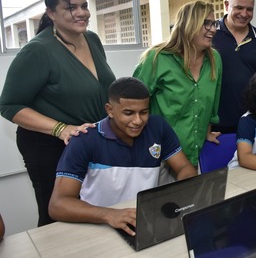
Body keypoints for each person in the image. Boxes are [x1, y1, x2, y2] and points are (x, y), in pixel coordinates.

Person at [0, 0, 116, 227]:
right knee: (57, 217)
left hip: (89, 144)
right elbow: (9, 105)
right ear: (51, 12)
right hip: (49, 148)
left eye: (84, 6)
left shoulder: (92, 40)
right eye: (71, 7)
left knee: (91, 210)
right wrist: (61, 128)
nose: (82, 13)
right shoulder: (38, 51)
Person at [48, 77, 197, 236]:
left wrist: (178, 197)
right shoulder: (84, 140)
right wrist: (109, 214)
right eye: (129, 113)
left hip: (145, 223)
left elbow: (184, 167)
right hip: (99, 227)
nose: (138, 120)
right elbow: (58, 204)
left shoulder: (158, 127)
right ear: (110, 110)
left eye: (144, 112)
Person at [133, 1, 222, 167]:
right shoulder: (157, 58)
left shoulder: (214, 59)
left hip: (195, 154)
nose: (214, 29)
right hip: (159, 156)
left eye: (214, 23)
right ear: (189, 24)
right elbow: (132, 103)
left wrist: (207, 132)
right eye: (206, 23)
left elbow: (212, 104)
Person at [212, 0, 256, 133]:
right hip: (214, 125)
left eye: (249, 9)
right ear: (227, 5)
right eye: (239, 8)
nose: (244, 14)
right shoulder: (210, 34)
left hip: (252, 122)